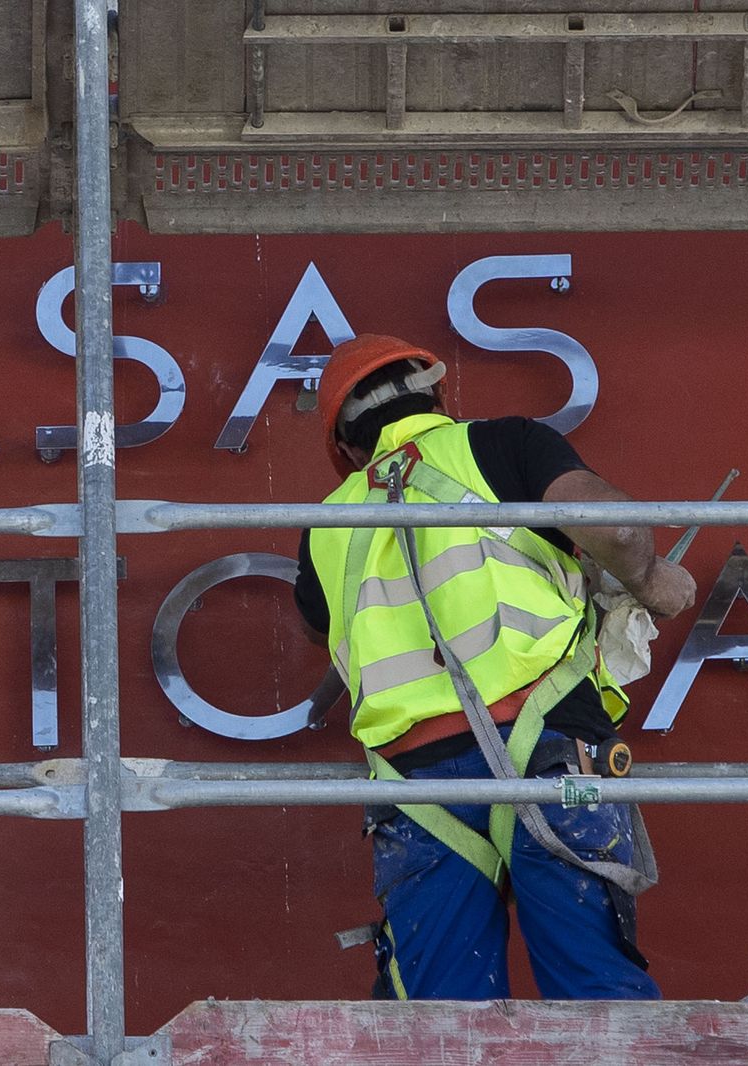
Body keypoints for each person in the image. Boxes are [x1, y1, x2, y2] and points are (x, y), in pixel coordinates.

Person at [293, 333, 696, 1001]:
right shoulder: (501, 444)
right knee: (597, 1001)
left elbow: (316, 624)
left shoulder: (325, 522)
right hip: (550, 757)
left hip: (418, 790)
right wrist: (651, 580)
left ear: (348, 450)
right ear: (437, 395)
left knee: (439, 1029)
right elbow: (617, 530)